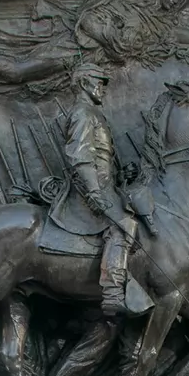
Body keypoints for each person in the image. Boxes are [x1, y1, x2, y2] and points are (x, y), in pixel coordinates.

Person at [49, 63, 141, 316]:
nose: (102, 87)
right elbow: (80, 158)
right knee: (123, 225)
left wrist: (121, 174)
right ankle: (112, 293)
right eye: (98, 82)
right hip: (90, 189)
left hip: (104, 185)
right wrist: (94, 192)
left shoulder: (93, 113)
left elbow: (101, 158)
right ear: (83, 83)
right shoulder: (82, 113)